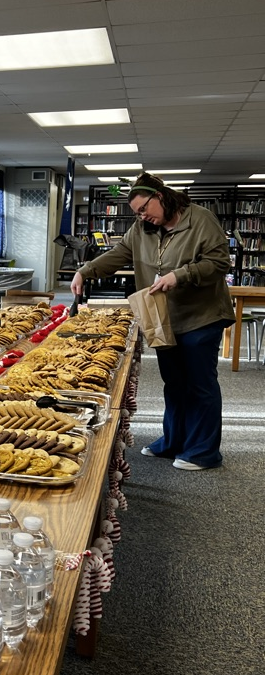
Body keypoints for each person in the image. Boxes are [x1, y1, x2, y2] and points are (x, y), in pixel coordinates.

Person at [71, 173, 235, 471]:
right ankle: (174, 441)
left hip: (201, 316)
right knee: (174, 383)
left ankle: (203, 451)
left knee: (199, 384)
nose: (142, 216)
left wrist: (180, 275)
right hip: (163, 318)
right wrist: (85, 271)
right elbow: (119, 253)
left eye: (144, 209)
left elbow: (219, 263)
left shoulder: (201, 219)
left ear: (160, 196)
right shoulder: (142, 228)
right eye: (137, 213)